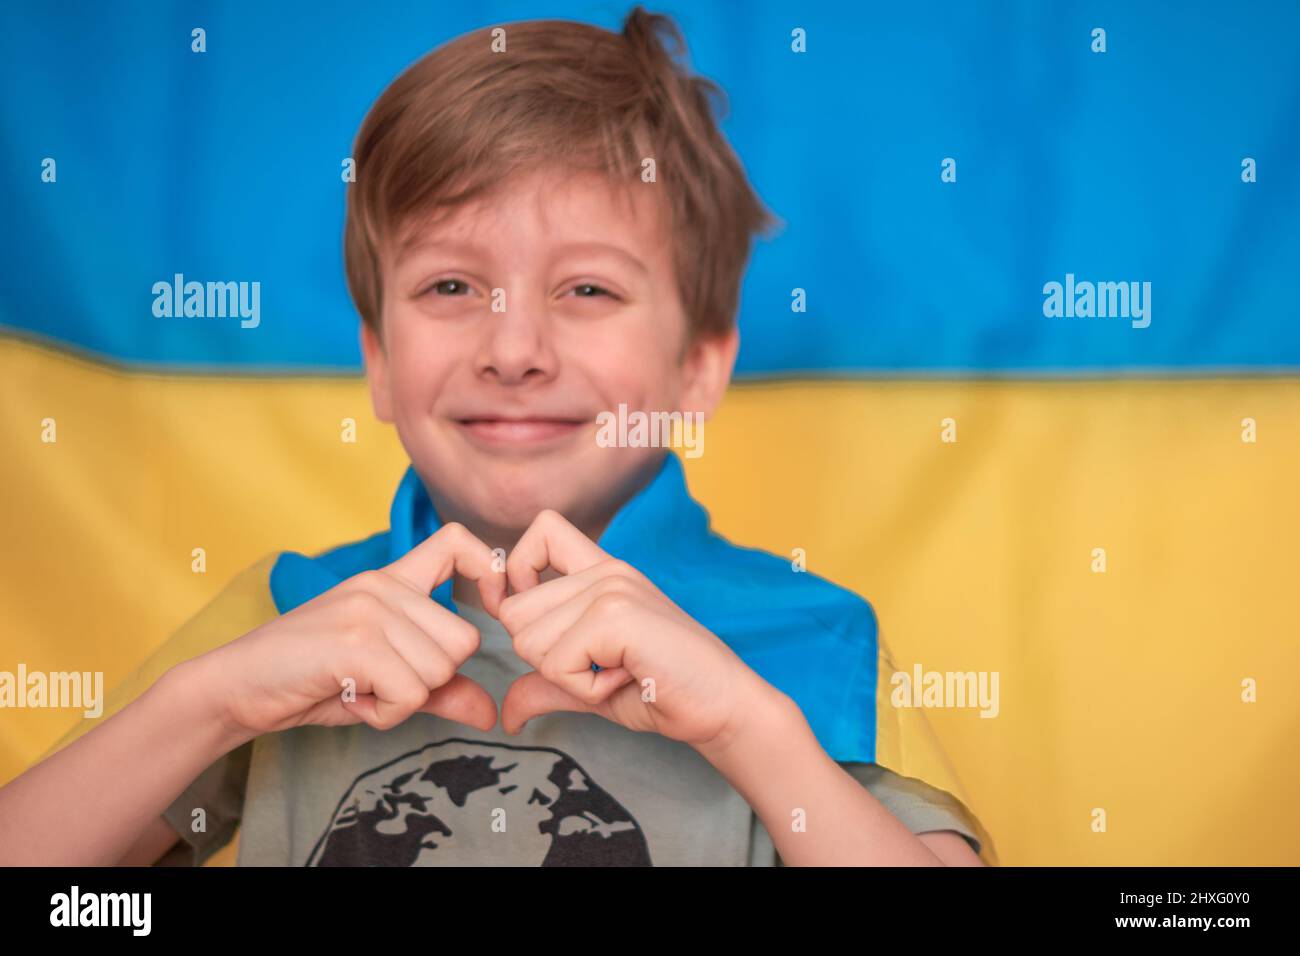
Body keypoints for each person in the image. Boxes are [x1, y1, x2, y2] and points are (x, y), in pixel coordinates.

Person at [0, 7, 993, 866]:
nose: (513, 347)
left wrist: (752, 726)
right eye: (450, 287)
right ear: (380, 359)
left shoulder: (814, 639)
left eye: (588, 289)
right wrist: (207, 708)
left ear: (697, 367)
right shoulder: (276, 617)